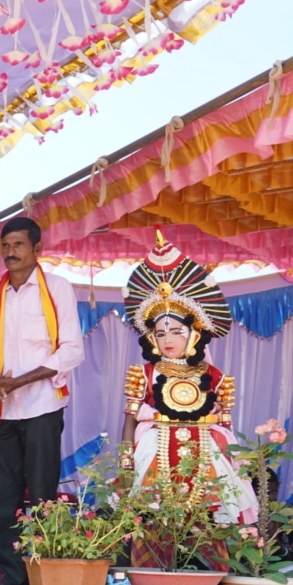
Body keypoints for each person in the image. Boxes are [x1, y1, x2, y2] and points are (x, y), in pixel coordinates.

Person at [120, 233, 256, 560]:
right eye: (160, 333)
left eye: (176, 331)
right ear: (151, 338)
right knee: (151, 521)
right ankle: (152, 580)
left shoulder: (214, 375)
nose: (168, 339)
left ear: (194, 334)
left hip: (207, 458)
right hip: (153, 455)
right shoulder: (144, 373)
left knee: (212, 522)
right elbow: (129, 419)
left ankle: (207, 582)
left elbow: (226, 425)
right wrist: (125, 462)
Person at [0, 218, 84, 585]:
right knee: (3, 500)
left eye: (19, 245)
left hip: (42, 407)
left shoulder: (57, 288)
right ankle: (14, 578)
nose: (10, 252)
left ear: (37, 250)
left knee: (41, 498)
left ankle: (43, 580)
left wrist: (18, 381)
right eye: (5, 245)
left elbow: (71, 350)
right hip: (1, 412)